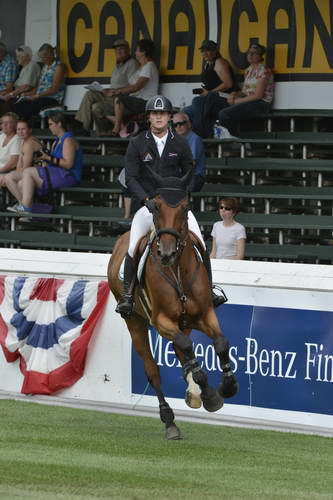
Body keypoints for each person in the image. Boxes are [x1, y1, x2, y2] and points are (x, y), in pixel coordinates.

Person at [115, 95, 225, 318]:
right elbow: (131, 178)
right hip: (149, 205)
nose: (158, 117)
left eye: (162, 114)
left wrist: (181, 199)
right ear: (149, 117)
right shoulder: (137, 143)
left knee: (201, 243)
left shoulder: (180, 143)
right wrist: (146, 200)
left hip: (174, 207)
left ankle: (210, 290)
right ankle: (127, 295)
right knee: (133, 244)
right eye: (155, 114)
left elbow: (189, 172)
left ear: (168, 117)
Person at [6, 112, 82, 220]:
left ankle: (26, 208)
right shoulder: (57, 141)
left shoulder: (68, 140)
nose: (49, 127)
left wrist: (48, 158)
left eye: (51, 124)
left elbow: (68, 164)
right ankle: (28, 211)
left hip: (69, 176)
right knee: (16, 179)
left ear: (59, 124)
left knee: (28, 172)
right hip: (56, 174)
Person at [75, 39, 138, 135]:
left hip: (121, 99)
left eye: (121, 49)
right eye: (116, 50)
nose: (118, 52)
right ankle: (84, 127)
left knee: (96, 107)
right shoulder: (118, 65)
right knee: (90, 94)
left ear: (128, 50)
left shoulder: (132, 63)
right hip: (111, 95)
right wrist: (107, 90)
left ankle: (103, 134)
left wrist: (115, 91)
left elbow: (132, 86)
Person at [182, 40, 237, 137]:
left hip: (226, 97)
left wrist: (209, 92)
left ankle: (200, 134)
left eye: (208, 50)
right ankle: (193, 137)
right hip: (211, 98)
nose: (205, 53)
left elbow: (228, 84)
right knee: (185, 111)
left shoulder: (220, 62)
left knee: (197, 101)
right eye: (203, 50)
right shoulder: (208, 64)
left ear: (215, 51)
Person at [218, 43, 274, 136]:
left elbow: (258, 96)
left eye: (254, 53)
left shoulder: (264, 70)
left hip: (262, 104)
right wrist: (234, 95)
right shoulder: (248, 70)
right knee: (215, 101)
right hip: (249, 101)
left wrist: (237, 101)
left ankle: (238, 139)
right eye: (249, 53)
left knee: (224, 114)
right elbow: (245, 91)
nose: (250, 55)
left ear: (260, 57)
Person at [106, 39, 159, 136]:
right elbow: (130, 86)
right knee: (104, 109)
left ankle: (116, 129)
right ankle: (123, 127)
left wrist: (117, 92)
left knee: (119, 99)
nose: (135, 53)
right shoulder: (142, 67)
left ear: (143, 52)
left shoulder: (149, 66)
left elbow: (137, 87)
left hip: (145, 102)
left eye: (137, 50)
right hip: (136, 100)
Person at [12, 44, 67, 119]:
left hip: (52, 98)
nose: (42, 60)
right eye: (41, 58)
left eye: (43, 57)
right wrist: (26, 94)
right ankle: (22, 126)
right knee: (18, 105)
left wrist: (37, 96)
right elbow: (39, 86)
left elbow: (54, 89)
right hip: (40, 97)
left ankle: (27, 126)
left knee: (32, 106)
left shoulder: (59, 67)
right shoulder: (45, 67)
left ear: (51, 55)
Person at [5, 119, 41, 210]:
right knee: (11, 177)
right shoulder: (23, 141)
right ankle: (24, 207)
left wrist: (14, 175)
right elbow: (19, 166)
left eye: (23, 129)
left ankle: (24, 207)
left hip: (38, 175)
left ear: (30, 130)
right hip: (29, 174)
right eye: (18, 129)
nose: (20, 132)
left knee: (9, 178)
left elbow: (26, 167)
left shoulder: (30, 143)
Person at [0, 46, 41, 115]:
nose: (16, 58)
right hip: (17, 95)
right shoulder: (24, 67)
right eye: (17, 56)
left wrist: (11, 94)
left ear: (27, 56)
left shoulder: (32, 66)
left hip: (25, 97)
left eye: (19, 56)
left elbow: (27, 86)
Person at [172, 111, 206, 192]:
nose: (178, 126)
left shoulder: (195, 139)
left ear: (189, 124)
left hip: (194, 177)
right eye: (175, 125)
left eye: (181, 123)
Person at [0, 112, 21, 186]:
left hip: (8, 172)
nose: (4, 125)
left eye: (8, 122)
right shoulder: (1, 136)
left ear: (15, 125)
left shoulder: (17, 139)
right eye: (3, 122)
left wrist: (0, 170)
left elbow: (13, 162)